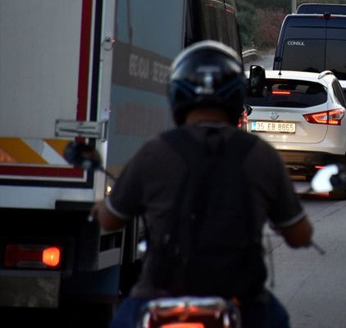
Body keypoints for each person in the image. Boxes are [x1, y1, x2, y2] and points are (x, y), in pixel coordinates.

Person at [92, 41, 313, 328]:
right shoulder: (261, 156)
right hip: (241, 302)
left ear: (177, 95)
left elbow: (110, 220)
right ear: (236, 96)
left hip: (159, 295)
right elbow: (298, 234)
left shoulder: (154, 152)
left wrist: (100, 208)